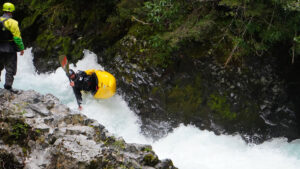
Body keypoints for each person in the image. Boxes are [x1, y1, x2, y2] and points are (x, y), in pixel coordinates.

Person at [0, 2, 24, 91]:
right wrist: (21, 48)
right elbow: (17, 38)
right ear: (11, 12)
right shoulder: (13, 23)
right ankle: (8, 86)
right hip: (10, 49)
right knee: (10, 68)